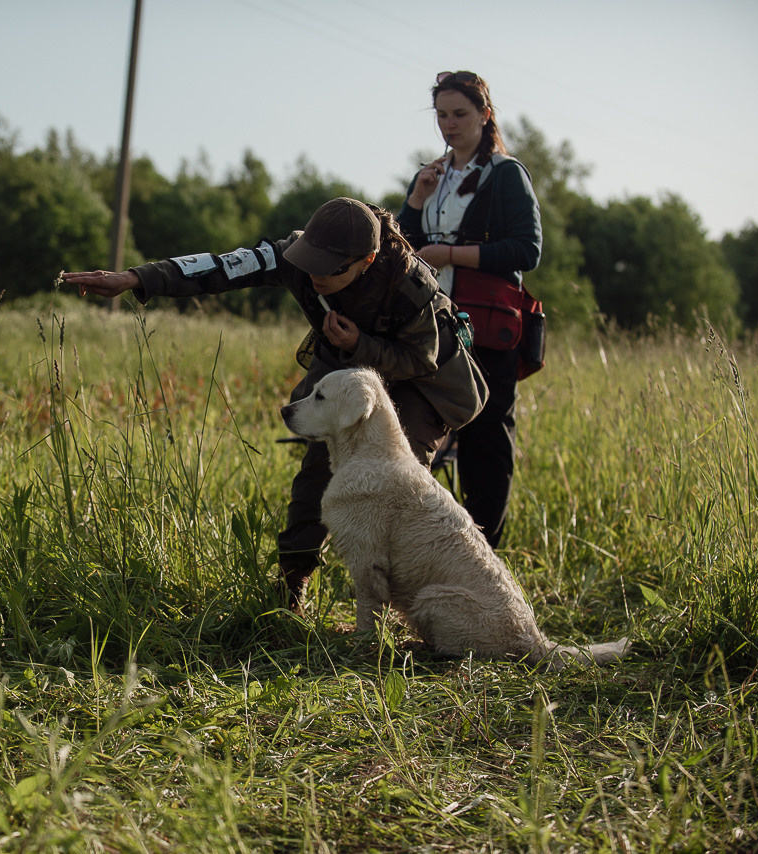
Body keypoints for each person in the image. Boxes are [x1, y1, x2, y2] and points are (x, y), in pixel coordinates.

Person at [63, 197, 487, 610]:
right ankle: (291, 586)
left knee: (393, 487)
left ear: (366, 261)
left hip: (421, 383)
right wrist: (136, 279)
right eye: (310, 262)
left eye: (329, 268)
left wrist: (362, 343)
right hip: (346, 369)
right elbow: (219, 268)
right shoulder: (295, 257)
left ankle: (418, 601)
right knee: (317, 473)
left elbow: (420, 359)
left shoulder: (408, 285)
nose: (315, 276)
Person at [397, 70, 543, 549]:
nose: (449, 124)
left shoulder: (506, 174)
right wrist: (416, 200)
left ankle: (483, 553)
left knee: (485, 438)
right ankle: (428, 546)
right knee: (419, 427)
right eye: (441, 114)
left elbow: (527, 250)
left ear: (484, 114)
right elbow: (403, 247)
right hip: (432, 321)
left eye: (460, 114)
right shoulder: (432, 177)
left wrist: (452, 254)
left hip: (487, 324)